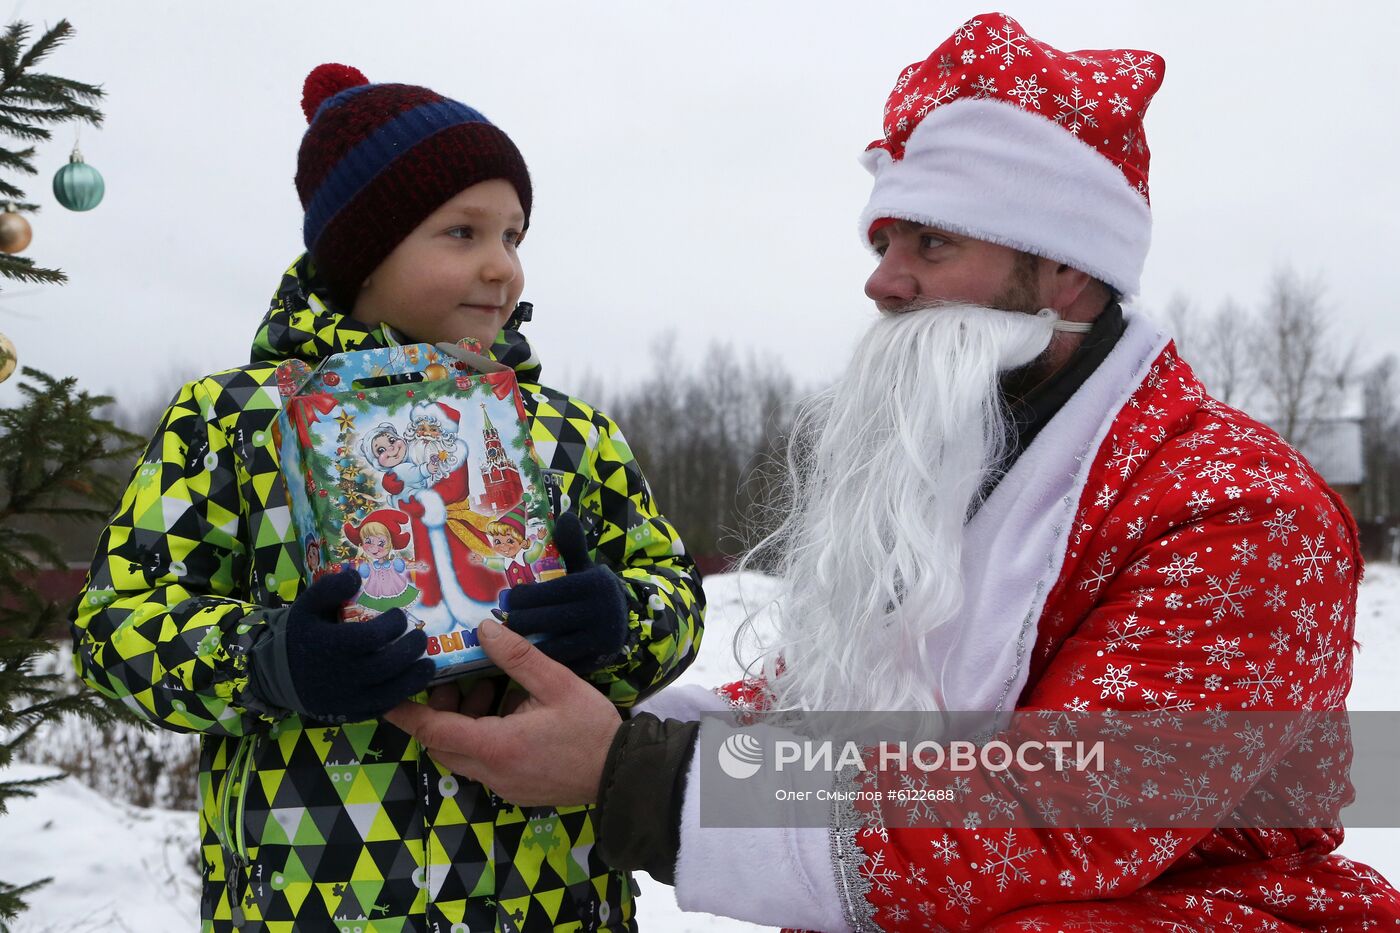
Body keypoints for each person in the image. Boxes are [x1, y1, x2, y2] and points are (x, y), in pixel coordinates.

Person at [385, 12, 1400, 931]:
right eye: (881, 240)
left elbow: (1060, 811)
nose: (880, 280)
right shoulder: (961, 458)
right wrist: (603, 714)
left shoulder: (1233, 510)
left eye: (929, 240)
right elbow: (823, 711)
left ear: (1064, 267)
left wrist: (635, 780)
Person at [70, 63, 704, 932]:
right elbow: (115, 624)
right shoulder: (234, 421)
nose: (502, 267)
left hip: (553, 897)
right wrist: (268, 660)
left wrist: (622, 620)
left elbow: (673, 589)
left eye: (514, 235)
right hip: (318, 897)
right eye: (462, 232)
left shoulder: (562, 431)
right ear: (363, 252)